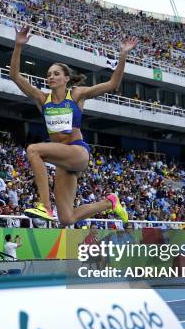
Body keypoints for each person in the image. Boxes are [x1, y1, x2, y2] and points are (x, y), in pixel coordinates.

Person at [9, 25, 135, 226]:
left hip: (77, 152)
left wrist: (122, 55)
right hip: (62, 161)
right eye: (49, 74)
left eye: (56, 73)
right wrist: (18, 46)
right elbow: (15, 76)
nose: (51, 76)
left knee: (33, 149)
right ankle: (110, 202)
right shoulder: (42, 99)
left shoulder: (76, 95)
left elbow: (112, 84)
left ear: (66, 79)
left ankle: (45, 206)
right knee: (67, 218)